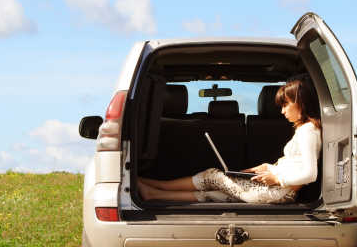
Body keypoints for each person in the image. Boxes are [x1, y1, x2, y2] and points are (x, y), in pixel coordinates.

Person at [137, 75, 322, 204]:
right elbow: (295, 163)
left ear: (301, 102)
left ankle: (157, 184)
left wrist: (277, 177)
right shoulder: (305, 129)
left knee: (213, 175)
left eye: (285, 105)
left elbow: (310, 174)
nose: (282, 111)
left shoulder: (308, 131)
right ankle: (153, 194)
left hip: (278, 193)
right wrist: (269, 167)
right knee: (213, 195)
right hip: (279, 192)